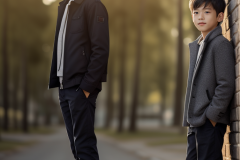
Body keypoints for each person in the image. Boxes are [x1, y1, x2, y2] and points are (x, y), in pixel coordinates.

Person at [48, 0, 109, 159]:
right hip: (64, 87)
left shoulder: (93, 5)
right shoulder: (65, 6)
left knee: (84, 149)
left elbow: (101, 50)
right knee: (77, 150)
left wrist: (87, 87)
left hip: (80, 88)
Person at [183, 0, 235, 159]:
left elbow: (225, 85)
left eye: (207, 12)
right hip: (195, 124)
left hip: (208, 123)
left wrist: (212, 117)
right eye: (196, 12)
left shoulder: (220, 44)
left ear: (220, 16)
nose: (200, 17)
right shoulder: (198, 46)